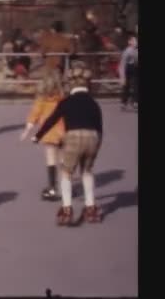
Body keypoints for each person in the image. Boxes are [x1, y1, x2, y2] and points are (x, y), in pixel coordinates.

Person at [31, 67, 104, 226]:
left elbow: (51, 120)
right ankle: (90, 207)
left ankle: (66, 208)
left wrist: (38, 136)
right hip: (93, 137)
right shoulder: (93, 103)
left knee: (66, 173)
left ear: (71, 85)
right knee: (87, 171)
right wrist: (98, 143)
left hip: (73, 137)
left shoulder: (66, 102)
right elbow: (99, 126)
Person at [20, 69, 65, 201]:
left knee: (51, 158)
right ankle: (65, 187)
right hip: (64, 131)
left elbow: (34, 115)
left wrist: (26, 131)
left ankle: (52, 187)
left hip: (49, 132)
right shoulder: (63, 99)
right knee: (63, 159)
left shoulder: (41, 100)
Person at [118, 34, 139, 110]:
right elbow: (122, 64)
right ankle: (124, 102)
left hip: (135, 69)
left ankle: (135, 102)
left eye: (135, 40)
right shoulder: (127, 51)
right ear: (129, 42)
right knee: (126, 86)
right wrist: (122, 77)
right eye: (133, 41)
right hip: (127, 69)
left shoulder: (137, 50)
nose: (135, 42)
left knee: (135, 85)